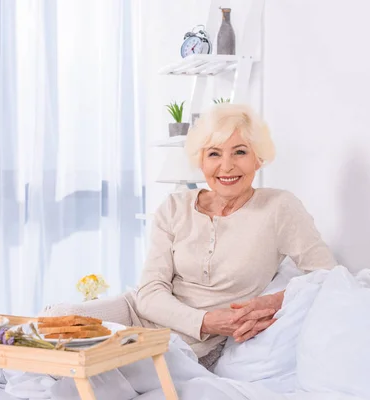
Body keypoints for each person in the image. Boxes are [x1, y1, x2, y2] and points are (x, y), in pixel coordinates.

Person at [42, 103, 337, 369]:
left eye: (240, 152)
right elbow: (149, 291)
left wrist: (271, 303)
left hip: (194, 344)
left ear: (258, 159)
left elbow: (326, 275)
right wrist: (205, 319)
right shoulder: (174, 205)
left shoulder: (279, 207)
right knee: (57, 318)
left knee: (106, 368)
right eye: (214, 154)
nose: (227, 166)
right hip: (137, 313)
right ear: (201, 161)